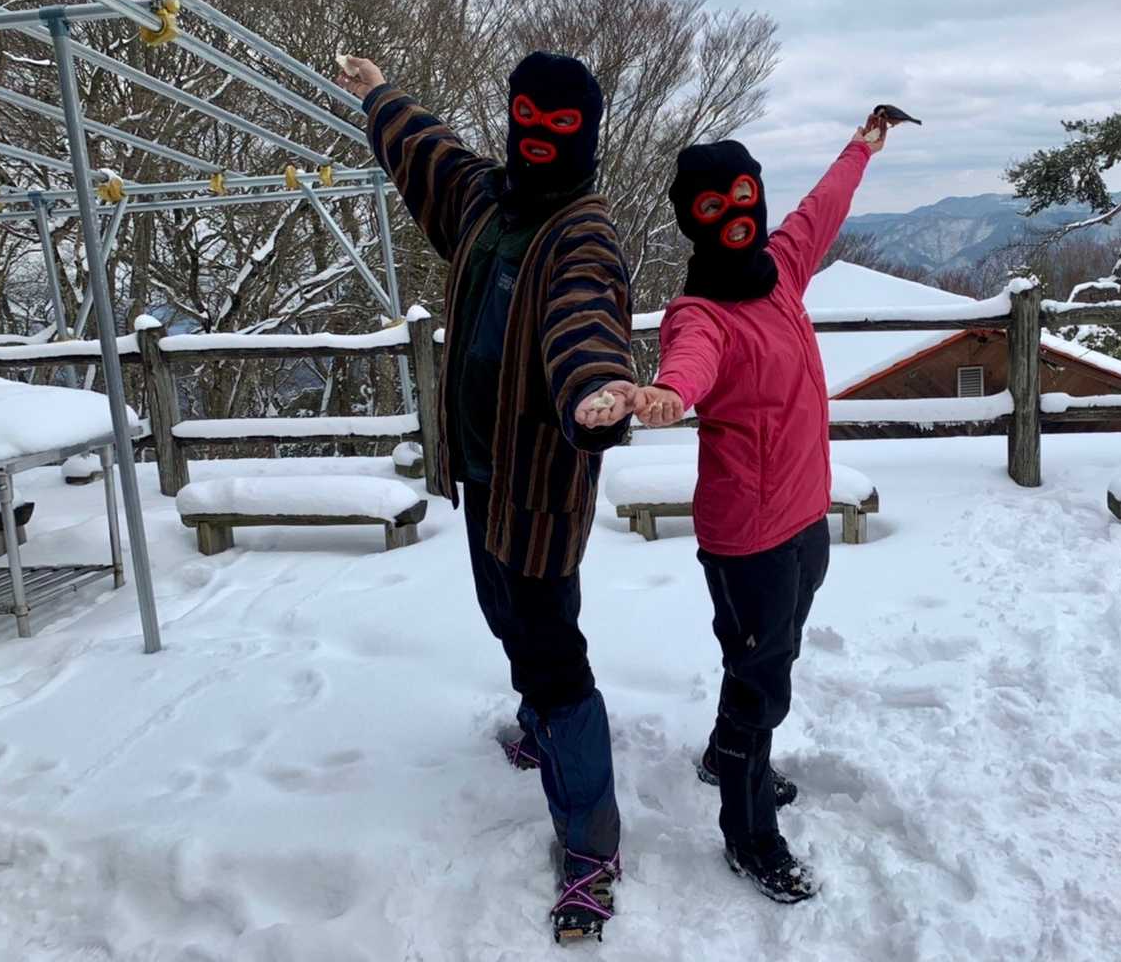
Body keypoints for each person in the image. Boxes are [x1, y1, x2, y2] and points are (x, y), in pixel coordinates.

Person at [336, 51, 637, 940]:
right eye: (527, 120)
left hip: (538, 483)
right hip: (479, 470)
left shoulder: (583, 236)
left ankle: (591, 847)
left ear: (586, 135)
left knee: (552, 653)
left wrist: (596, 390)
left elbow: (584, 320)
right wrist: (379, 95)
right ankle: (541, 728)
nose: (539, 139)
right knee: (502, 613)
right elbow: (428, 151)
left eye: (561, 127)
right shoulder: (486, 202)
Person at [632, 109, 901, 903]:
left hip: (803, 518)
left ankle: (725, 757)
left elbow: (821, 209)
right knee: (761, 687)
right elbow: (688, 363)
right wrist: (667, 395)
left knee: (767, 656)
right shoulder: (700, 314)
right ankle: (749, 836)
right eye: (713, 207)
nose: (735, 216)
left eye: (744, 196)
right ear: (692, 220)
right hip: (747, 539)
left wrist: (859, 148)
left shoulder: (781, 269)